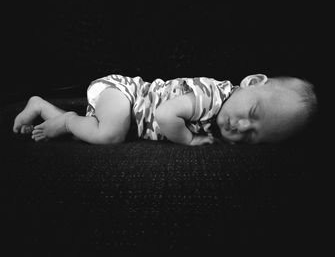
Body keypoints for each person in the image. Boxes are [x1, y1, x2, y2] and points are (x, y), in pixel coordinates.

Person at [13, 73, 317, 146]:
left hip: (125, 111)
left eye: (252, 136)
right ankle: (67, 121)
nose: (240, 126)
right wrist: (188, 140)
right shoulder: (212, 96)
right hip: (124, 93)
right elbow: (163, 115)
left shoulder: (225, 110)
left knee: (96, 129)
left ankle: (40, 107)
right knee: (109, 134)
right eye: (252, 114)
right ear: (251, 82)